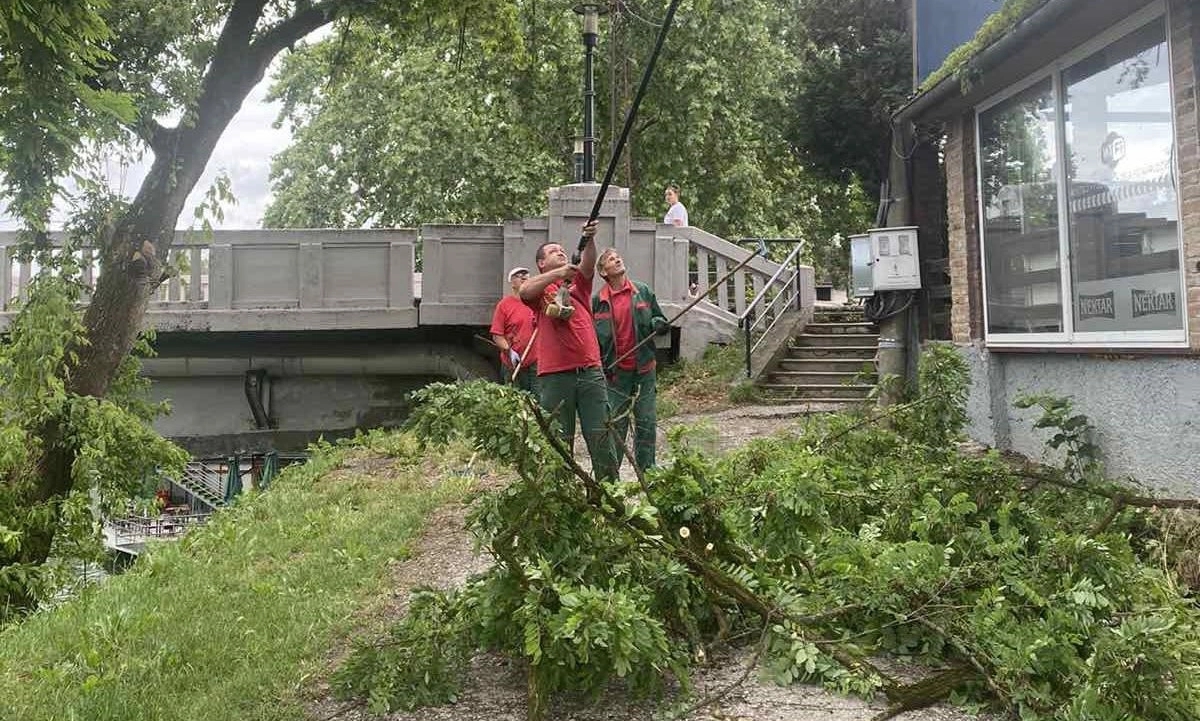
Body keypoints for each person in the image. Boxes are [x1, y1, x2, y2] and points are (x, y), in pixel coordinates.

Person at [519, 220, 617, 481]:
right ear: (541, 263)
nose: (560, 252)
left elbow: (587, 266)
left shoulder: (578, 288)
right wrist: (559, 273)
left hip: (590, 372)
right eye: (553, 251)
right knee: (558, 442)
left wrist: (589, 238)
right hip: (554, 376)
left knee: (601, 435)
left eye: (562, 250)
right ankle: (561, 498)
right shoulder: (542, 290)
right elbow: (525, 290)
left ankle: (610, 495)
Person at [593, 248, 669, 472]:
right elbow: (592, 338)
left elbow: (658, 317)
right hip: (615, 375)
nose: (617, 259)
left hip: (644, 369)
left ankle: (648, 473)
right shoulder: (598, 301)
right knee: (616, 424)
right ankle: (612, 476)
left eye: (618, 257)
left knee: (646, 421)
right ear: (603, 272)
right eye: (610, 259)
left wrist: (658, 324)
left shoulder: (642, 291)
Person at [490, 266, 539, 394]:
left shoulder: (537, 302)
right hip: (513, 365)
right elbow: (497, 335)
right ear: (512, 283)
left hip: (536, 363)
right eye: (518, 275)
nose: (523, 277)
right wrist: (509, 351)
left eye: (526, 275)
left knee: (538, 402)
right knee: (516, 400)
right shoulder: (504, 305)